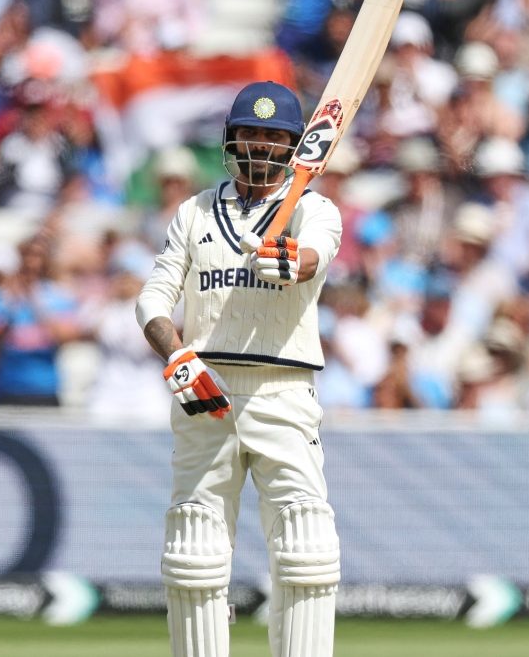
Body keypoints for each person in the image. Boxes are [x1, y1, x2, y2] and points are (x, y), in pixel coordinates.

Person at [135, 81, 343, 657]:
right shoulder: (195, 210)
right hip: (206, 394)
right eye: (250, 133)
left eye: (273, 137)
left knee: (305, 547)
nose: (259, 147)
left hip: (282, 389)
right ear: (231, 140)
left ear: (295, 148)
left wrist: (291, 259)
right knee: (193, 550)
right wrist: (175, 353)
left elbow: (316, 255)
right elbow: (152, 300)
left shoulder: (312, 208)